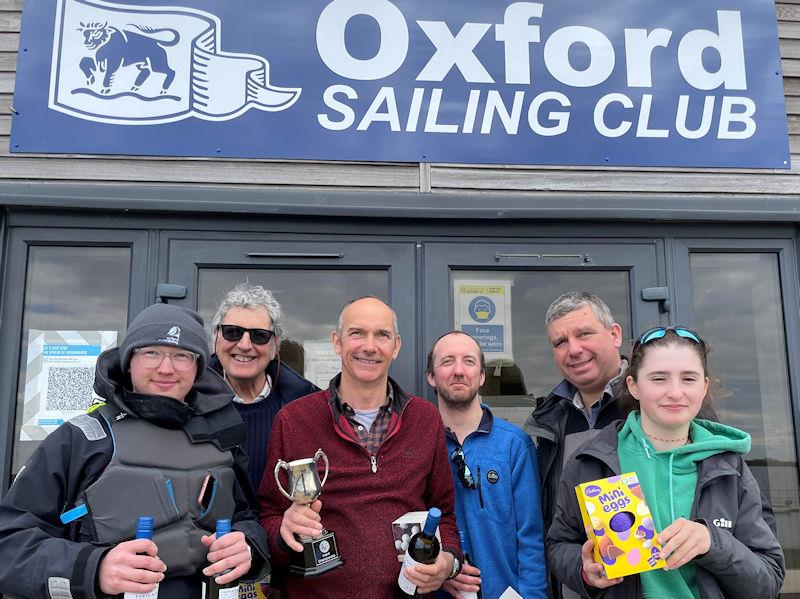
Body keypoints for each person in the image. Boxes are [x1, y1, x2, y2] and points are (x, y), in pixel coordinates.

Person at [0, 303, 270, 599]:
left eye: (182, 356)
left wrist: (247, 545)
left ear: (198, 367)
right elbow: (9, 544)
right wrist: (94, 568)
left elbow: (247, 517)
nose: (165, 368)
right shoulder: (80, 440)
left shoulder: (223, 437)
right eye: (151, 352)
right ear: (129, 361)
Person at [547, 326, 785, 598]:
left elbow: (768, 580)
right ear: (633, 386)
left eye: (688, 379)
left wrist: (713, 543)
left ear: (704, 386)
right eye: (659, 378)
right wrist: (583, 569)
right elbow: (559, 543)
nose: (675, 392)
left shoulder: (730, 468)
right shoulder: (591, 460)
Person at [259, 296, 461, 598]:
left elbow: (444, 514)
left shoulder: (425, 419)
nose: (370, 345)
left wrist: (448, 563)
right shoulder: (294, 420)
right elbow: (269, 515)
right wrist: (285, 530)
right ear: (337, 342)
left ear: (397, 346)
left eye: (382, 334)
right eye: (357, 333)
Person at [428, 331, 547, 599]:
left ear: (481, 376)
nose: (459, 371)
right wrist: (437, 572)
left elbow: (530, 538)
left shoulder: (514, 445)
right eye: (447, 362)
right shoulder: (418, 443)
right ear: (431, 376)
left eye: (469, 362)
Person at [524, 292, 630, 538]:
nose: (573, 349)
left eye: (584, 334)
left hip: (652, 572)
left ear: (614, 335)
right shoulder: (547, 422)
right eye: (560, 342)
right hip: (573, 572)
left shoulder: (657, 402)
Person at [210, 283, 318, 490]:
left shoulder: (302, 409)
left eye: (259, 335)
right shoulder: (191, 404)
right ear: (216, 338)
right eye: (232, 332)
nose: (244, 345)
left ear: (274, 346)